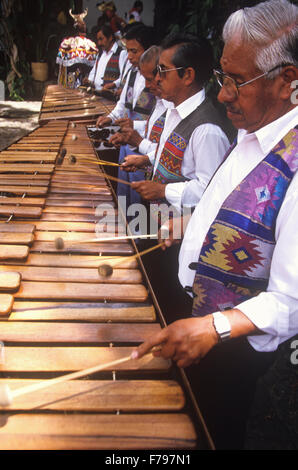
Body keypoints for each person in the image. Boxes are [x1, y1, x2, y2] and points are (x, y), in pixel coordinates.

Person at [132, 0, 298, 450]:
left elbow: (291, 301)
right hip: (194, 310)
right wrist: (191, 222)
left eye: (237, 81)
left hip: (233, 352)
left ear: (289, 80)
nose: (223, 94)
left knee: (209, 431)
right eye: (224, 77)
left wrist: (213, 329)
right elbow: (228, 203)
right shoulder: (252, 129)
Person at [122, 33, 231, 217]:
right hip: (158, 220)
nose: (156, 79)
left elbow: (211, 189)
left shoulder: (207, 130)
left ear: (188, 75)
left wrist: (163, 191)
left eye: (163, 71)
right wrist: (147, 160)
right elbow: (172, 157)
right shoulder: (173, 110)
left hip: (179, 233)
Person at [96, 24, 156, 206]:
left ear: (149, 51)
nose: (129, 56)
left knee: (138, 201)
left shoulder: (157, 79)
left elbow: (160, 122)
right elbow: (122, 103)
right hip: (126, 143)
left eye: (134, 51)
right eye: (127, 51)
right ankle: (125, 228)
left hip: (147, 149)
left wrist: (134, 127)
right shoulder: (131, 73)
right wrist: (111, 118)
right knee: (123, 194)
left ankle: (137, 234)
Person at [56, 9, 98, 88]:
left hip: (72, 79)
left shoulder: (66, 43)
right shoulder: (91, 45)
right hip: (85, 80)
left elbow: (62, 66)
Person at [84, 23, 127, 93]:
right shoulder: (100, 54)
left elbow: (125, 77)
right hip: (96, 95)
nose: (99, 43)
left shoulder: (121, 53)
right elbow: (93, 73)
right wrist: (89, 80)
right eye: (98, 40)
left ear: (110, 37)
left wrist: (113, 84)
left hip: (110, 98)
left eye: (101, 39)